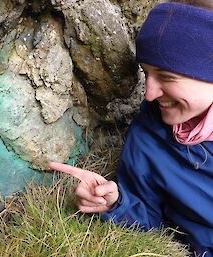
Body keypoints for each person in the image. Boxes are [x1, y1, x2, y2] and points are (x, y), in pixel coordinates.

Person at [50, 1, 213, 256]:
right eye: (145, 73)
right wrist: (114, 203)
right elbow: (151, 220)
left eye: (167, 77)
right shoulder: (148, 138)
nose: (149, 94)